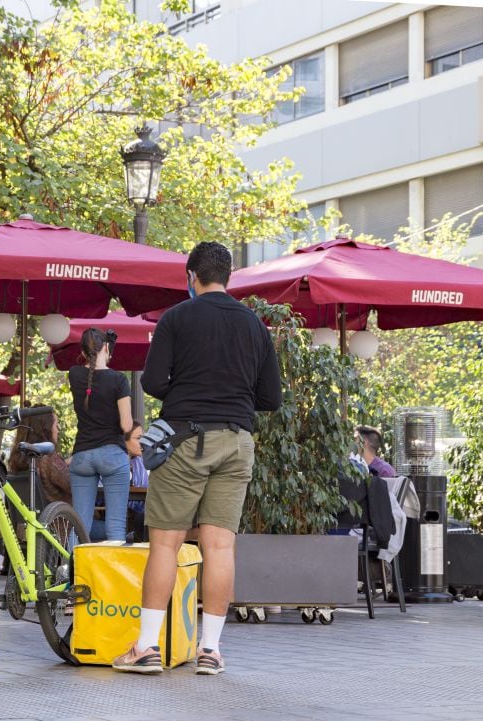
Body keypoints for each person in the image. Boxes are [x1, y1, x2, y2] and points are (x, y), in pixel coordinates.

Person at [113, 241, 282, 676]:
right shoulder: (255, 325)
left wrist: (187, 391)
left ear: (191, 276)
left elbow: (152, 382)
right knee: (220, 545)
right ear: (229, 277)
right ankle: (210, 650)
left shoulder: (177, 317)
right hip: (237, 441)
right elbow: (270, 398)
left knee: (165, 543)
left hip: (185, 439)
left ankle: (147, 647)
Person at [67, 328, 134, 542]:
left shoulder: (75, 374)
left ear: (84, 352)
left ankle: (71, 573)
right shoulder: (118, 380)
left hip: (82, 456)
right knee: (115, 526)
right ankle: (112, 575)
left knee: (80, 525)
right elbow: (126, 425)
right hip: (112, 455)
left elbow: (91, 379)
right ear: (106, 347)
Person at [8, 410, 71, 506]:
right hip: (60, 519)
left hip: (28, 519)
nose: (57, 430)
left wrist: (64, 463)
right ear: (45, 428)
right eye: (55, 426)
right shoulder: (49, 458)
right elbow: (74, 485)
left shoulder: (17, 460)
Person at [125, 423, 148, 542]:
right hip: (114, 519)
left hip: (138, 518)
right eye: (138, 438)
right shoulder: (111, 463)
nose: (143, 443)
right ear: (124, 440)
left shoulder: (142, 462)